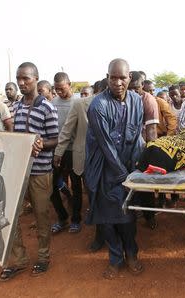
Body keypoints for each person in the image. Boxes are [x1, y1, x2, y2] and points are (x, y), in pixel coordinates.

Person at [84, 58, 144, 279]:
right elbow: (106, 146)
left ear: (130, 78)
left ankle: (131, 253)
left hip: (128, 167)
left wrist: (137, 169)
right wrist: (123, 175)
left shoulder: (137, 101)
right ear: (107, 77)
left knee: (128, 216)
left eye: (122, 77)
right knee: (107, 220)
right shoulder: (98, 106)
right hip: (102, 170)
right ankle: (115, 258)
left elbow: (137, 135)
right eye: (113, 77)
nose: (118, 82)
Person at [0, 62, 59, 281]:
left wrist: (42, 143)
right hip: (17, 171)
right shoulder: (15, 106)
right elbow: (15, 136)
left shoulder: (47, 107)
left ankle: (43, 258)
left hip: (40, 172)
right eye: (19, 78)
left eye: (26, 78)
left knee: (41, 217)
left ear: (36, 78)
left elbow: (56, 138)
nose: (21, 82)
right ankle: (19, 259)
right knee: (11, 216)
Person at [53, 94, 105, 251]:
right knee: (85, 192)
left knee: (103, 195)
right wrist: (59, 152)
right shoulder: (79, 104)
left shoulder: (121, 103)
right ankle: (95, 231)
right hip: (83, 158)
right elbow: (67, 129)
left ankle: (106, 231)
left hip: (108, 159)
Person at [128, 71, 160, 229]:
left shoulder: (148, 100)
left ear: (143, 86)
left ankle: (149, 217)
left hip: (141, 148)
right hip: (125, 147)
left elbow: (152, 132)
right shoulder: (124, 97)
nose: (133, 91)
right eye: (130, 88)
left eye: (136, 88)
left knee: (144, 184)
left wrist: (149, 156)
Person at [51, 72, 82, 233]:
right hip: (57, 150)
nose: (59, 92)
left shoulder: (78, 102)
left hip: (74, 151)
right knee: (52, 185)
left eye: (62, 89)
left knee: (76, 185)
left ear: (69, 85)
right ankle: (62, 217)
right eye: (56, 89)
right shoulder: (53, 103)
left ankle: (76, 219)